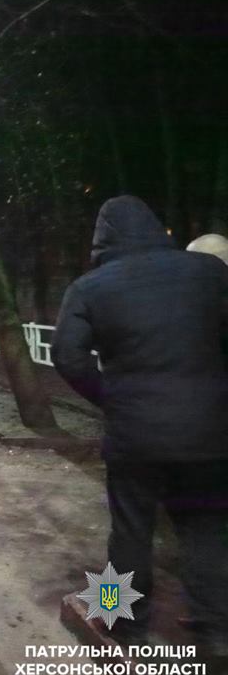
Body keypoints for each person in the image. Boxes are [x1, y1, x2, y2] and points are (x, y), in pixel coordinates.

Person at [51, 195, 228, 648]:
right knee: (206, 529)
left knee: (130, 530)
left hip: (135, 437)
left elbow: (68, 358)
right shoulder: (210, 273)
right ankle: (216, 630)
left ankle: (122, 623)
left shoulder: (90, 287)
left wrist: (112, 397)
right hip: (211, 435)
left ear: (102, 239)